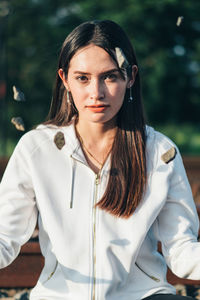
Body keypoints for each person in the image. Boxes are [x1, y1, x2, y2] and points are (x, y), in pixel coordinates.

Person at [0, 20, 199, 300]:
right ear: (65, 79)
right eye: (82, 78)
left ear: (130, 77)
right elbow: (5, 239)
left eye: (110, 76)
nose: (97, 93)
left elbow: (181, 248)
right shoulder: (36, 149)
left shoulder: (160, 153)